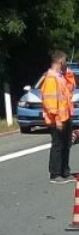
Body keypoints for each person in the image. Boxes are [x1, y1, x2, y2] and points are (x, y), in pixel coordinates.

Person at [41, 50, 76, 183]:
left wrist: (67, 72)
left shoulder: (60, 77)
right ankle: (55, 174)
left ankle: (65, 171)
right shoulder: (51, 78)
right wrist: (57, 119)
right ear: (60, 61)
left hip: (65, 116)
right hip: (57, 119)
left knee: (66, 144)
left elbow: (71, 87)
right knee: (58, 145)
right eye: (65, 61)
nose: (66, 64)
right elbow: (50, 102)